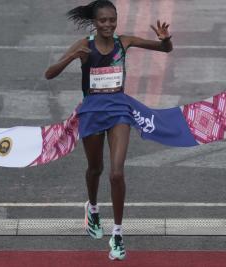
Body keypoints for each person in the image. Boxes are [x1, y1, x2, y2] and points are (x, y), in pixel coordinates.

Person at [44, 0, 172, 261]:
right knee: (96, 169)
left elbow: (164, 49)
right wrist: (71, 57)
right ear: (94, 21)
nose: (108, 24)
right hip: (91, 112)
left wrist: (165, 39)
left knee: (116, 173)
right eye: (103, 20)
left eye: (112, 20)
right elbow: (49, 74)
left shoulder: (123, 42)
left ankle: (117, 234)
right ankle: (92, 209)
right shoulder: (84, 45)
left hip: (119, 112)